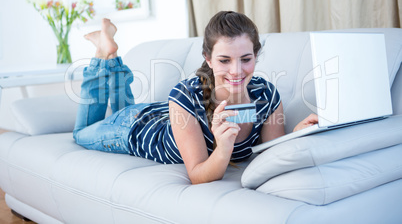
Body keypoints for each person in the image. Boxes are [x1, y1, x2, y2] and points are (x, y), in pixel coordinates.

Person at [73, 11, 318, 184]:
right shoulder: (186, 95)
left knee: (124, 106)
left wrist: (296, 135)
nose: (236, 70)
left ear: (256, 55)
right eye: (224, 60)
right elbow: (199, 175)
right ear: (208, 58)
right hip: (134, 127)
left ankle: (109, 52)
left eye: (246, 59)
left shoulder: (266, 96)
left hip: (166, 115)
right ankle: (101, 56)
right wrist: (223, 148)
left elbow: (269, 152)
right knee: (81, 132)